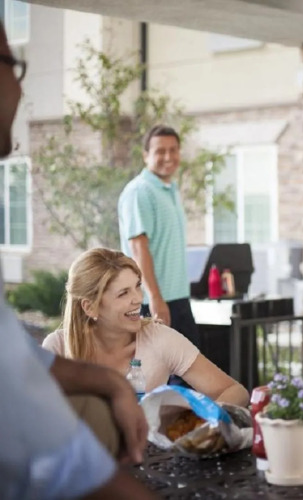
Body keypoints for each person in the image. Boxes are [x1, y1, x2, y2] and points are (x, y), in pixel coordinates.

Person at [0, 22, 157, 499]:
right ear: (89, 305)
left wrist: (111, 384)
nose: (21, 86)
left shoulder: (155, 340)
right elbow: (63, 463)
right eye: (13, 65)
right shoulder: (60, 342)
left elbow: (17, 358)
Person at [43, 248, 250, 406]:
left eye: (137, 286)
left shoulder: (159, 339)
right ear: (90, 307)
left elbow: (235, 391)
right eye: (123, 293)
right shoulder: (56, 349)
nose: (138, 299)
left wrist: (203, 426)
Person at [118, 124, 200, 348]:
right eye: (160, 151)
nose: (168, 157)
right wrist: (155, 298)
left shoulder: (170, 190)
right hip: (151, 303)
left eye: (173, 150)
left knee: (189, 365)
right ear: (146, 156)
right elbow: (138, 249)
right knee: (157, 369)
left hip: (178, 298)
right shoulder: (140, 191)